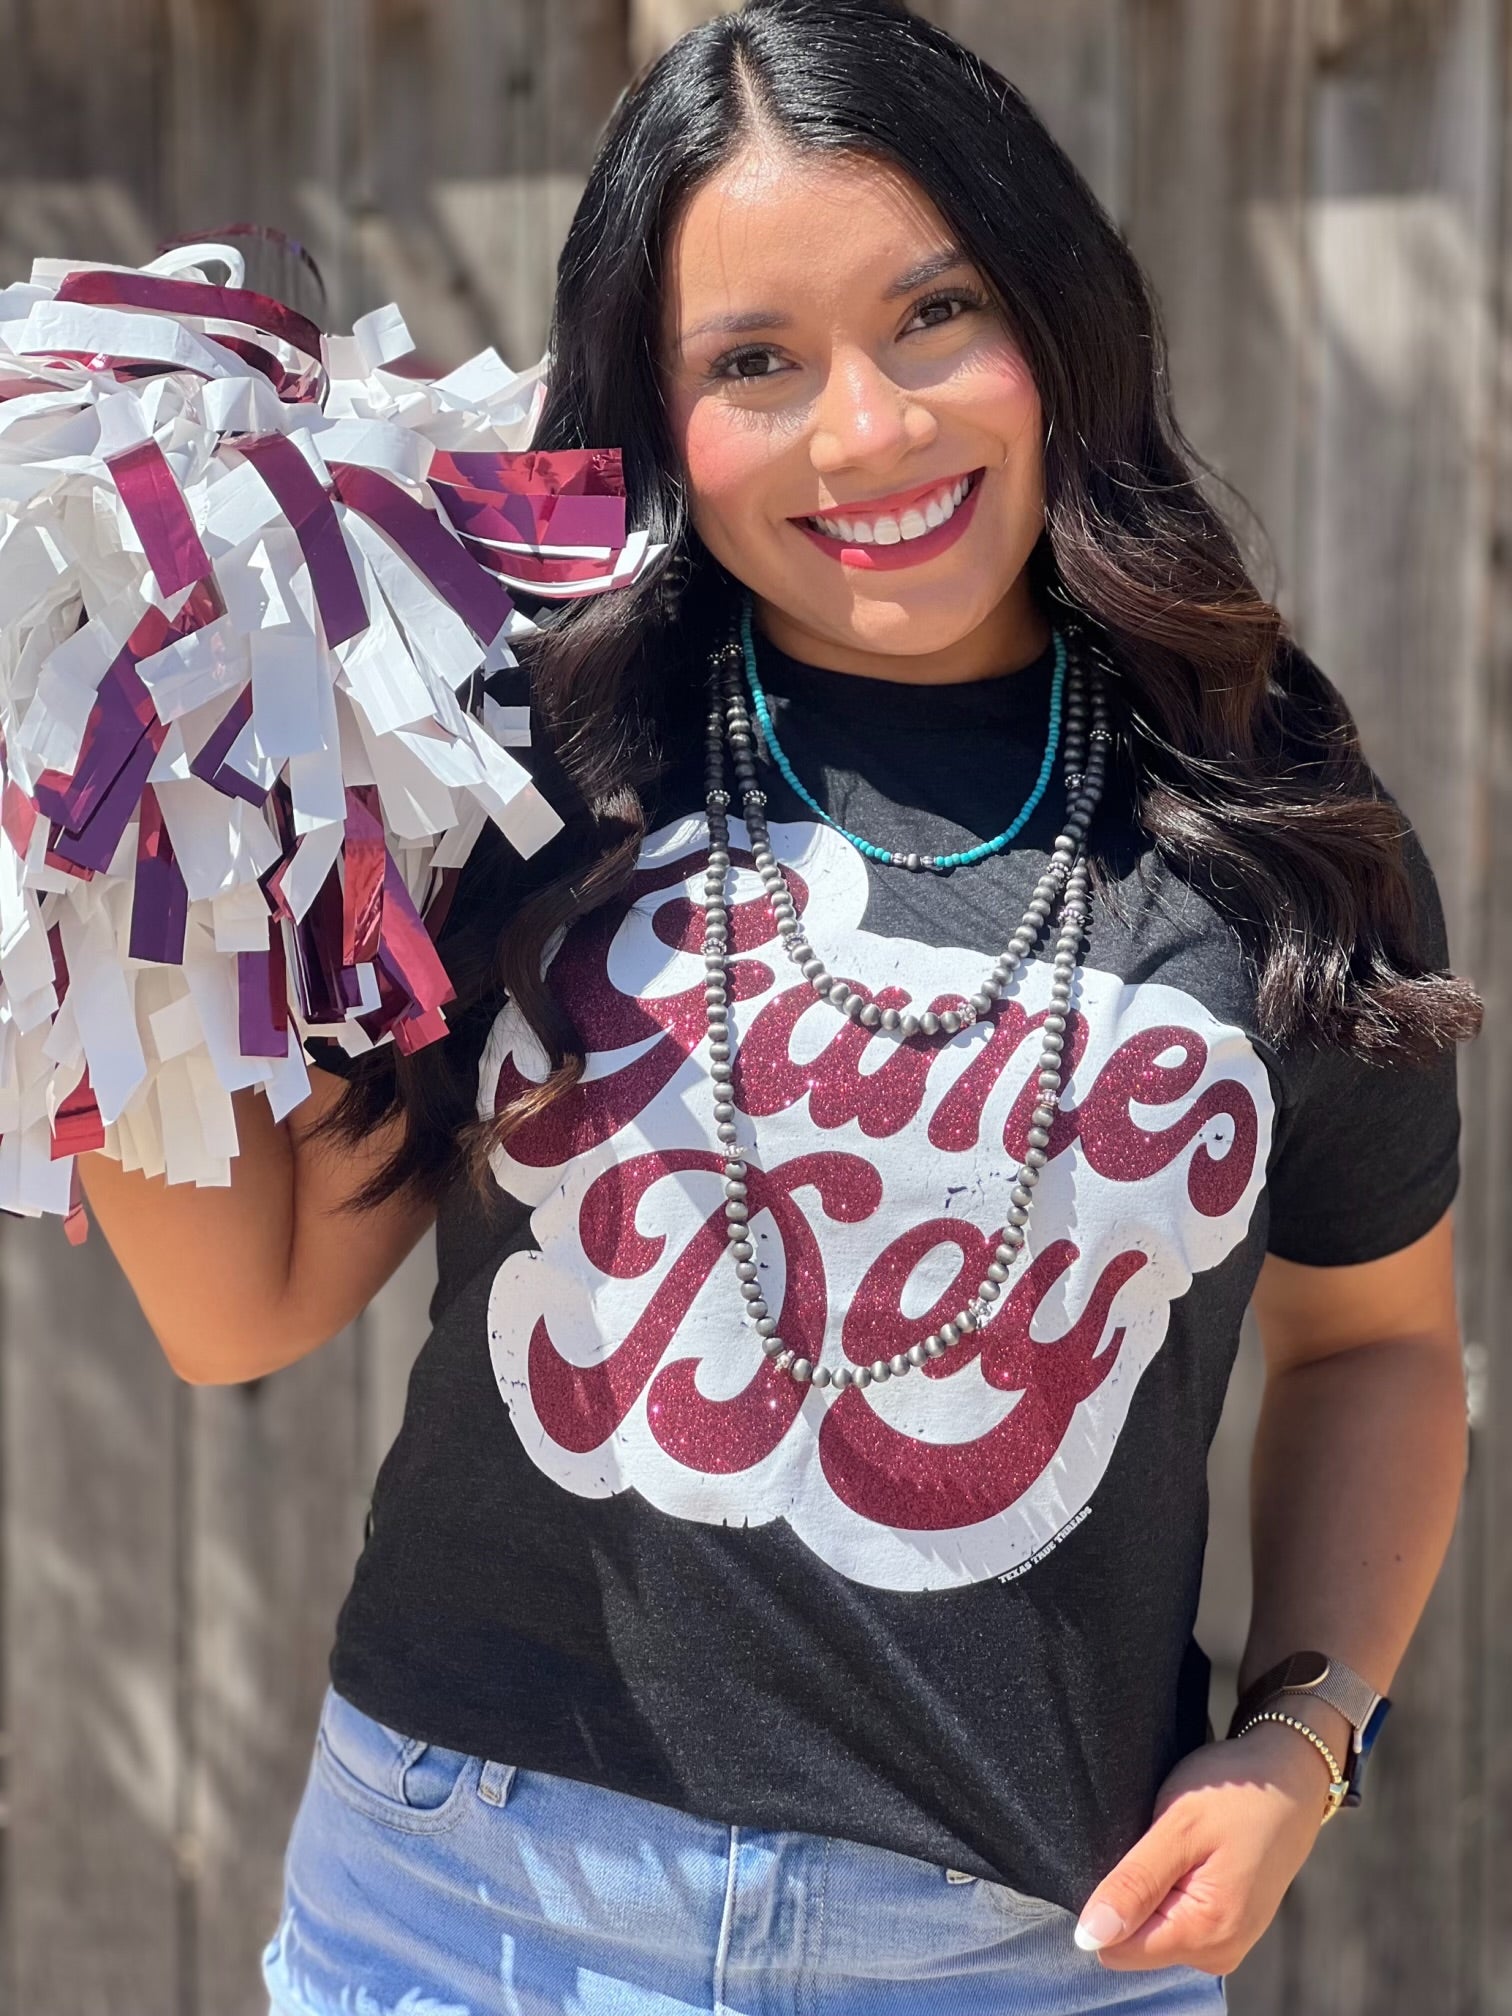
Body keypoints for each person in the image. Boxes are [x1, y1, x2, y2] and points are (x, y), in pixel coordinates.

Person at [78, 1, 1479, 2009]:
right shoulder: (531, 756)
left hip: (1023, 1958)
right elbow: (246, 1305)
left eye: (934, 315)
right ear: (659, 416)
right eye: (756, 362)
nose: (869, 430)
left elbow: (1378, 1351)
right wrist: (92, 886)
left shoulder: (1272, 826)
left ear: (1058, 317)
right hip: (463, 1921)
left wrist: (1303, 1736)